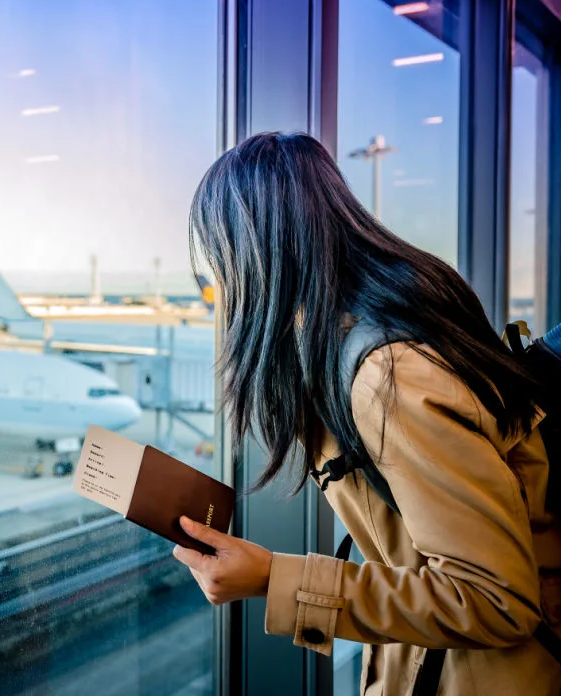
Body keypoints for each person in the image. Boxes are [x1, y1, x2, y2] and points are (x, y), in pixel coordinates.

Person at [173, 132, 561, 694]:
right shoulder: (387, 323)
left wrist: (272, 578)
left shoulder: (389, 374)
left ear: (255, 253)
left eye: (219, 258)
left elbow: (496, 599)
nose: (220, 283)